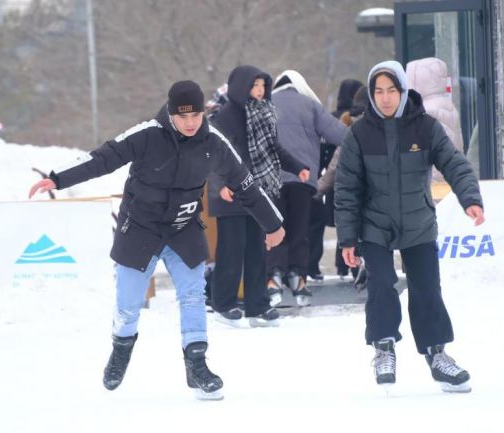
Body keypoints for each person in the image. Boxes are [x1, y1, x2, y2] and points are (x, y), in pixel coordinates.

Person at [28, 80, 286, 400]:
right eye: (183, 116)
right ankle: (121, 348)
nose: (190, 123)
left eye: (196, 115)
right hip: (141, 228)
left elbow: (245, 183)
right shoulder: (147, 134)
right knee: (128, 304)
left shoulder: (213, 141)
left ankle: (197, 364)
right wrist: (57, 178)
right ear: (171, 114)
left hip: (183, 227)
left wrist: (273, 223)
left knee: (193, 294)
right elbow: (103, 158)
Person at [334, 61, 485, 393]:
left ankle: (437, 355)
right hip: (375, 224)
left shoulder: (425, 127)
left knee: (427, 288)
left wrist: (470, 198)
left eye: (392, 90)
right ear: (371, 95)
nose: (385, 98)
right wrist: (347, 238)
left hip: (418, 222)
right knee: (381, 284)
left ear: (403, 91)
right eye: (378, 91)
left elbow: (454, 163)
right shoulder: (359, 134)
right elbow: (346, 189)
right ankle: (384, 348)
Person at [207, 65, 309, 326]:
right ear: (241, 87)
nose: (260, 90)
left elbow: (274, 148)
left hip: (257, 194)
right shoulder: (224, 117)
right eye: (255, 85)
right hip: (231, 194)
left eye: (263, 85)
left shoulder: (263, 114)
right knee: (231, 251)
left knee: (257, 250)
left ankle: (258, 306)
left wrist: (297, 167)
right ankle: (223, 304)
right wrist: (221, 185)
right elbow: (213, 154)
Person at [267, 69, 347, 306]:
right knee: (299, 230)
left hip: (270, 180)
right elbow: (340, 135)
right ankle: (298, 279)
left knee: (274, 229)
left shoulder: (265, 104)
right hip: (302, 180)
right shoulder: (310, 105)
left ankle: (273, 278)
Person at [307, 78, 362, 282]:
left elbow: (321, 149)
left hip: (331, 180)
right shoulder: (358, 119)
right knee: (353, 221)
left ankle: (338, 266)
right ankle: (350, 264)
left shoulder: (330, 118)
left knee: (341, 221)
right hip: (350, 177)